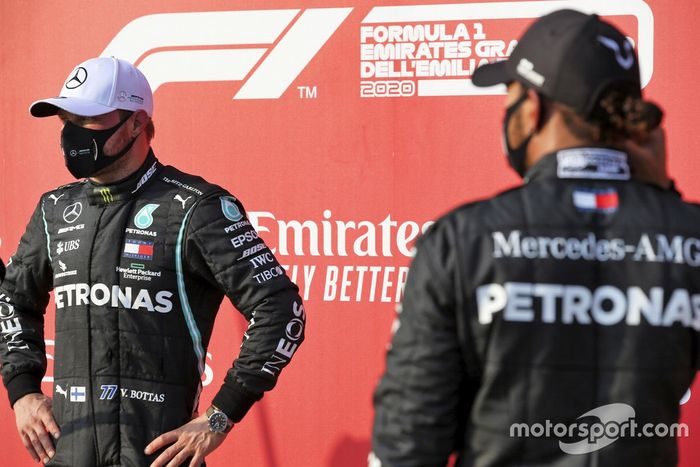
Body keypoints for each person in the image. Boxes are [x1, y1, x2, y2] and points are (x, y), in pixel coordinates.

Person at [372, 9, 699, 467]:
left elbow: (405, 447)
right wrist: (664, 198)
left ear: (531, 107)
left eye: (509, 97)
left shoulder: (461, 241)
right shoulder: (690, 237)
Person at [0, 56, 305, 466]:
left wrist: (220, 417)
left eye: (89, 120)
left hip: (157, 457)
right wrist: (22, 391)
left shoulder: (195, 207)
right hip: (69, 453)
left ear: (137, 124)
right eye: (67, 120)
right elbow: (13, 299)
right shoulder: (54, 209)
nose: (73, 133)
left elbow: (281, 309)